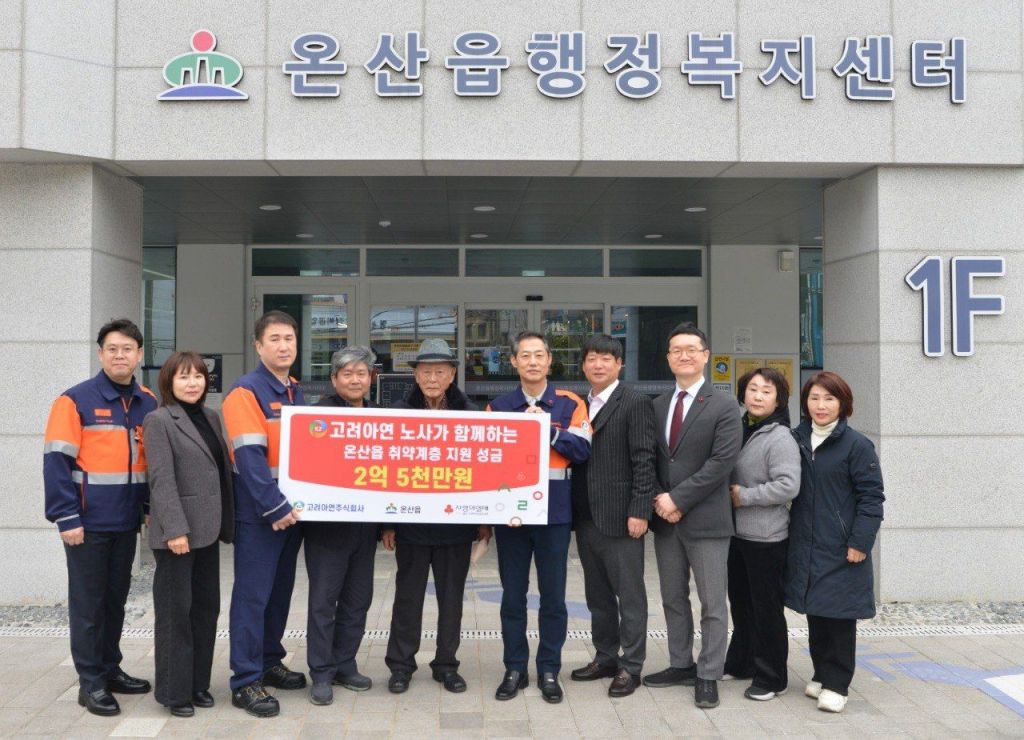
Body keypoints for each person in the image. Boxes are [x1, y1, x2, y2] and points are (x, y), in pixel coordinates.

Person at [43, 319, 158, 717]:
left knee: (114, 602)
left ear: (139, 355)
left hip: (126, 522)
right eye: (112, 349)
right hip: (87, 524)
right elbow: (56, 463)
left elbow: (150, 464)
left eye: (127, 349)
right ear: (100, 354)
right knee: (88, 606)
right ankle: (90, 683)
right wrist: (66, 517)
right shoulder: (74, 401)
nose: (119, 355)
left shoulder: (147, 402)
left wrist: (148, 510)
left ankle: (110, 669)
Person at [487, 331, 591, 704]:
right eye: (525, 355)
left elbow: (582, 449)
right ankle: (514, 667)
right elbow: (488, 460)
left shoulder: (569, 403)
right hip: (511, 516)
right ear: (513, 361)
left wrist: (547, 429)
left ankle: (549, 668)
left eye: (539, 355)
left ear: (549, 360)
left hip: (554, 515)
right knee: (513, 596)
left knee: (553, 598)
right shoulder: (498, 406)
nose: (532, 361)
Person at [382, 339, 491, 695]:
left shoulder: (471, 414)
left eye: (439, 371)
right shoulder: (397, 413)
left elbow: (483, 471)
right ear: (415, 375)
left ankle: (446, 665)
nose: (432, 378)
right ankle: (401, 666)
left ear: (452, 375)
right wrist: (387, 523)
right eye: (426, 371)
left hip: (455, 527)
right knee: (407, 599)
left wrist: (485, 521)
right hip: (410, 525)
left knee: (452, 600)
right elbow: (385, 470)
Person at [645, 323, 741, 710]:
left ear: (705, 355)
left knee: (713, 603)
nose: (683, 355)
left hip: (706, 520)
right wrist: (659, 499)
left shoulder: (724, 405)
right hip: (666, 520)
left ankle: (708, 673)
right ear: (668, 358)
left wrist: (678, 499)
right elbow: (651, 460)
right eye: (676, 350)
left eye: (691, 349)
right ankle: (680, 663)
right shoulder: (657, 405)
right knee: (672, 597)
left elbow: (721, 463)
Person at [222, 311, 306, 718]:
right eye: (274, 339)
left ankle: (270, 660)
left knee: (279, 593)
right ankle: (245, 680)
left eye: (289, 338)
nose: (283, 346)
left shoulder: (295, 391)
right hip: (262, 515)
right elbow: (249, 457)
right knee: (253, 597)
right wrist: (274, 506)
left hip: (292, 513)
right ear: (258, 346)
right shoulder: (245, 392)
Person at [786, 371, 884, 713]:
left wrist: (860, 542)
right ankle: (821, 673)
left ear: (843, 404)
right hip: (806, 542)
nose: (821, 405)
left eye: (829, 398)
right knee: (816, 613)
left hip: (842, 545)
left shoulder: (857, 445)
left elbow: (872, 498)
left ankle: (837, 684)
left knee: (839, 617)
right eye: (814, 398)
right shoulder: (796, 438)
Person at [144, 351, 234, 717]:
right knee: (175, 614)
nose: (193, 383)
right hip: (177, 536)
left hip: (207, 530)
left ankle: (198, 684)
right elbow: (161, 479)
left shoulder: (211, 417)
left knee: (205, 610)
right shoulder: (159, 420)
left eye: (198, 376)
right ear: (169, 382)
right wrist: (175, 529)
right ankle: (174, 692)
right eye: (183, 377)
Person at [569, 334, 657, 698]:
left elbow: (644, 459)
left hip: (623, 518)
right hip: (586, 516)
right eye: (592, 358)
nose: (598, 364)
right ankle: (605, 656)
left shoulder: (634, 402)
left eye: (606, 358)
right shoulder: (579, 404)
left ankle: (631, 666)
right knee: (598, 595)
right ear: (583, 365)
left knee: (630, 595)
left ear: (619, 364)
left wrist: (640, 510)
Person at [306, 347, 380, 706]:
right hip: (327, 528)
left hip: (365, 527)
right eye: (347, 373)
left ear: (371, 379)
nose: (355, 380)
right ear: (334, 379)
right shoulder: (317, 416)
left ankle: (345, 663)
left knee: (357, 600)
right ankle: (321, 672)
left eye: (361, 373)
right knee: (323, 602)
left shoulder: (381, 418)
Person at [723, 367, 800, 701]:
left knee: (766, 610)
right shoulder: (740, 428)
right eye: (752, 389)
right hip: (736, 534)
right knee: (742, 605)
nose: (757, 396)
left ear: (779, 400)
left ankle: (772, 677)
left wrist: (745, 496)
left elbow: (788, 486)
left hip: (766, 537)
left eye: (767, 391)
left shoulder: (779, 437)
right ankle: (742, 662)